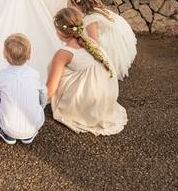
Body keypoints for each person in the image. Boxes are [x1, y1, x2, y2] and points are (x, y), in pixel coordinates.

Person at [47, 7, 127, 135]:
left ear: (59, 31)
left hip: (88, 105)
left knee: (57, 69)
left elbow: (50, 90)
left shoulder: (63, 53)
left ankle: (75, 108)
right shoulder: (90, 42)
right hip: (105, 98)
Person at [0, 34, 47, 145]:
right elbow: (43, 94)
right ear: (29, 55)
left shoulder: (0, 76)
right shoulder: (35, 74)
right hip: (34, 125)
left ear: (5, 55)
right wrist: (41, 107)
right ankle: (28, 136)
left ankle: (7, 134)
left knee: (0, 96)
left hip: (8, 127)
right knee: (36, 93)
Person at [69, 0, 137, 79]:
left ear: (75, 2)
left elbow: (94, 43)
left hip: (109, 44)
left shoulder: (90, 19)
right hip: (118, 38)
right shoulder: (95, 9)